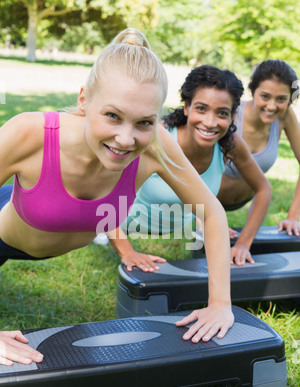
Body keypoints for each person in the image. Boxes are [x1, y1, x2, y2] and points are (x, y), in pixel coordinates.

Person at [0, 29, 233, 366]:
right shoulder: (29, 133)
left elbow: (212, 213)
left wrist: (220, 304)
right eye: (112, 115)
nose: (126, 139)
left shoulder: (156, 145)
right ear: (83, 99)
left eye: (144, 122)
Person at [107, 65, 271, 268]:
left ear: (232, 116)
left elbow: (263, 189)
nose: (210, 122)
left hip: (182, 227)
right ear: (187, 107)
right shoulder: (156, 137)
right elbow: (103, 193)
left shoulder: (230, 143)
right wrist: (128, 252)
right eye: (201, 109)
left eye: (222, 113)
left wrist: (243, 244)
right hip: (127, 224)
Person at [218, 59, 300, 238]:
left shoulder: (285, 117)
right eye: (265, 96)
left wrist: (294, 216)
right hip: (210, 199)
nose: (272, 106)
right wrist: (206, 219)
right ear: (253, 91)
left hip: (247, 199)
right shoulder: (232, 113)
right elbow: (194, 164)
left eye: (281, 99)